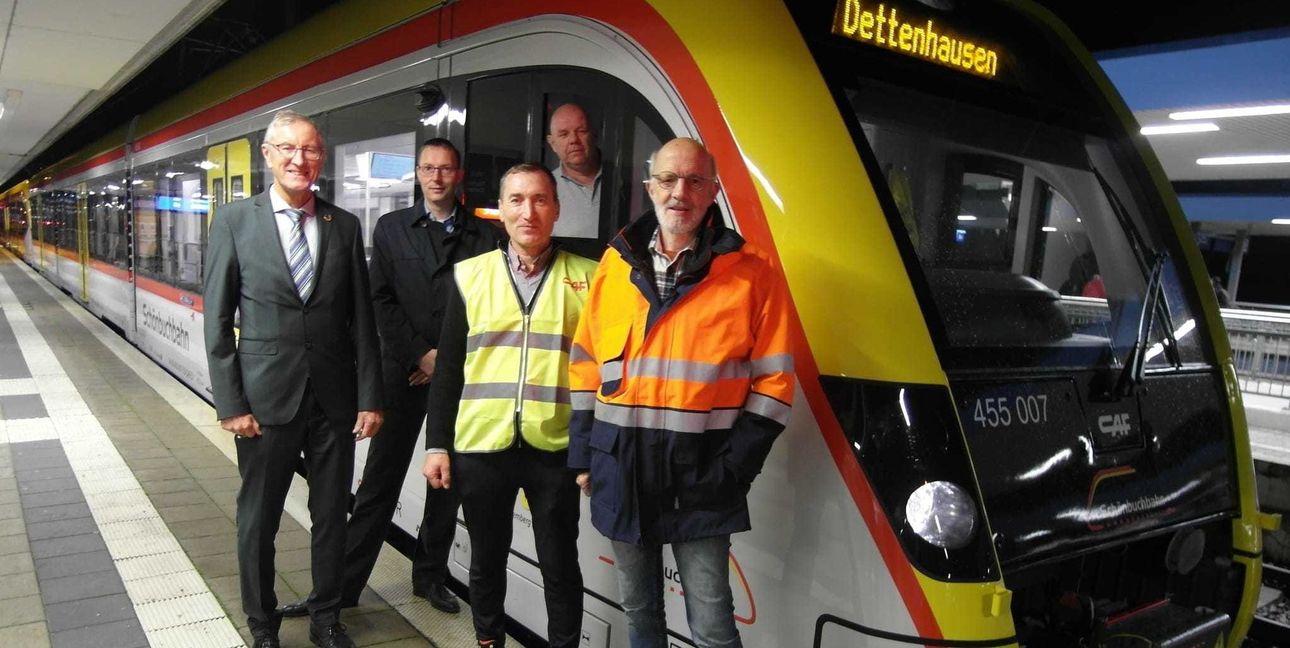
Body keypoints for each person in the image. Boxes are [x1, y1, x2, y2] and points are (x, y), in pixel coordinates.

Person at [568, 138, 796, 648]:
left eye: (695, 181)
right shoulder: (615, 265)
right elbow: (585, 364)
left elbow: (776, 384)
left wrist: (734, 469)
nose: (680, 192)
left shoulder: (752, 272)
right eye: (668, 180)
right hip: (620, 467)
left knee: (713, 626)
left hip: (703, 474)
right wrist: (584, 456)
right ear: (650, 188)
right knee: (640, 611)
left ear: (713, 191)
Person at [278, 138, 500, 620]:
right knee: (380, 483)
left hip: (457, 381)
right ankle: (342, 589)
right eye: (427, 169)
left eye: (445, 169)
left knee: (447, 484)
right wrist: (421, 355)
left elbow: (488, 309)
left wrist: (445, 362)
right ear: (417, 175)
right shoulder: (392, 227)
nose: (436, 177)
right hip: (402, 375)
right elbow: (379, 302)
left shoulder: (486, 237)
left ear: (458, 176)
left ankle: (429, 578)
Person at [204, 109, 383, 648]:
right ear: (267, 156)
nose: (297, 159)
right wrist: (231, 403)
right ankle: (262, 625)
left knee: (331, 516)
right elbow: (217, 319)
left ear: (320, 159)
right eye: (286, 149)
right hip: (263, 402)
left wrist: (370, 398)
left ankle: (327, 618)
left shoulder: (344, 225)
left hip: (333, 401)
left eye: (308, 150)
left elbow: (362, 324)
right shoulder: (235, 221)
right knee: (258, 520)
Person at [423, 163, 596, 648]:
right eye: (516, 200)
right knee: (486, 562)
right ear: (500, 210)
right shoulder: (470, 276)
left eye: (540, 199)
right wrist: (438, 444)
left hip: (556, 450)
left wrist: (593, 450)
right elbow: (449, 370)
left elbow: (601, 378)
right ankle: (488, 641)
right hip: (482, 446)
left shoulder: (591, 278)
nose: (528, 211)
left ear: (557, 209)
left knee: (561, 565)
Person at [546, 103, 602, 239]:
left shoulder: (624, 179)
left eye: (581, 131)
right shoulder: (546, 188)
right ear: (552, 143)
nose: (573, 140)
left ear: (594, 135)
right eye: (564, 134)